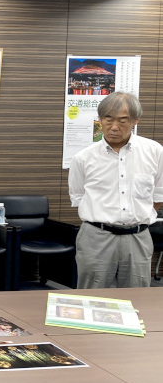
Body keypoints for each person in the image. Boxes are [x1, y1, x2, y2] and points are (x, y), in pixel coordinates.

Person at [69, 91, 163, 288]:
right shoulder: (83, 158)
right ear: (100, 119)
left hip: (138, 237)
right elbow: (78, 197)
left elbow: (158, 194)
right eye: (108, 119)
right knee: (91, 297)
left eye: (122, 121)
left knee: (137, 297)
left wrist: (139, 217)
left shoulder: (155, 152)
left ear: (135, 121)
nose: (113, 127)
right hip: (96, 236)